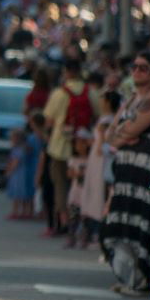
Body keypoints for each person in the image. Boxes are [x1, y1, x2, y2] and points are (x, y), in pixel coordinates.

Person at [102, 52, 150, 295]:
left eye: (143, 68)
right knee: (123, 222)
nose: (137, 71)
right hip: (125, 171)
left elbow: (133, 129)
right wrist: (123, 135)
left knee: (141, 221)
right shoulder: (131, 99)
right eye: (134, 67)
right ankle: (129, 276)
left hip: (144, 170)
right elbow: (109, 136)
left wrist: (122, 135)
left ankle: (142, 280)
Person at [42, 59, 97, 238]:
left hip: (60, 147)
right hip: (83, 149)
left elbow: (48, 120)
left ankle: (64, 222)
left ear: (66, 72)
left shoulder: (59, 93)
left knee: (60, 186)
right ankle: (82, 224)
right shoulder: (91, 93)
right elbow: (98, 117)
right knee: (83, 186)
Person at [78, 90, 120, 249]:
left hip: (102, 161)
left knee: (100, 194)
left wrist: (100, 137)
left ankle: (98, 233)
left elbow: (106, 144)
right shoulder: (104, 118)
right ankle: (92, 231)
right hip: (95, 160)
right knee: (94, 192)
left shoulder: (110, 120)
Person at [5, 129, 34, 220]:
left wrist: (9, 171)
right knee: (24, 194)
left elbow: (15, 162)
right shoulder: (25, 148)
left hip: (17, 174)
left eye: (12, 138)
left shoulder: (18, 149)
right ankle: (25, 212)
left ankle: (15, 212)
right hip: (24, 172)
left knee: (17, 194)